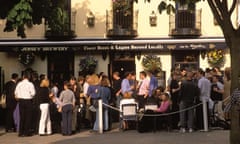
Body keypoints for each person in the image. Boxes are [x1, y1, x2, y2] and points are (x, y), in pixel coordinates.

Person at [15, 71, 36, 137]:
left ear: (23, 77)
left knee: (22, 116)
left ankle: (21, 132)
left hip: (21, 101)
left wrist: (19, 97)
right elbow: (33, 93)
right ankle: (27, 132)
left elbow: (16, 93)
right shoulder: (30, 84)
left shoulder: (19, 84)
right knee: (28, 117)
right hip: (28, 101)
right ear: (29, 77)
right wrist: (30, 96)